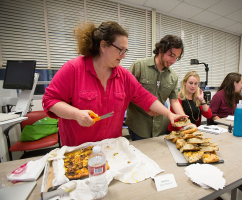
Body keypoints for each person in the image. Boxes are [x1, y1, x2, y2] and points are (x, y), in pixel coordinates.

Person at [42, 21, 187, 146]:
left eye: (126, 50)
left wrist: (169, 114)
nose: (124, 55)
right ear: (103, 45)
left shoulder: (123, 75)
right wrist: (76, 114)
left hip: (112, 148)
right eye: (120, 50)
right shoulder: (73, 69)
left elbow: (145, 97)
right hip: (78, 149)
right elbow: (49, 100)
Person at [125, 35, 186, 141]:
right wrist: (145, 106)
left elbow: (174, 101)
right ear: (161, 49)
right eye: (171, 55)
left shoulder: (173, 76)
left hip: (159, 125)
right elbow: (126, 93)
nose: (173, 61)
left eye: (176, 58)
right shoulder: (139, 66)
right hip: (139, 124)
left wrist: (184, 120)